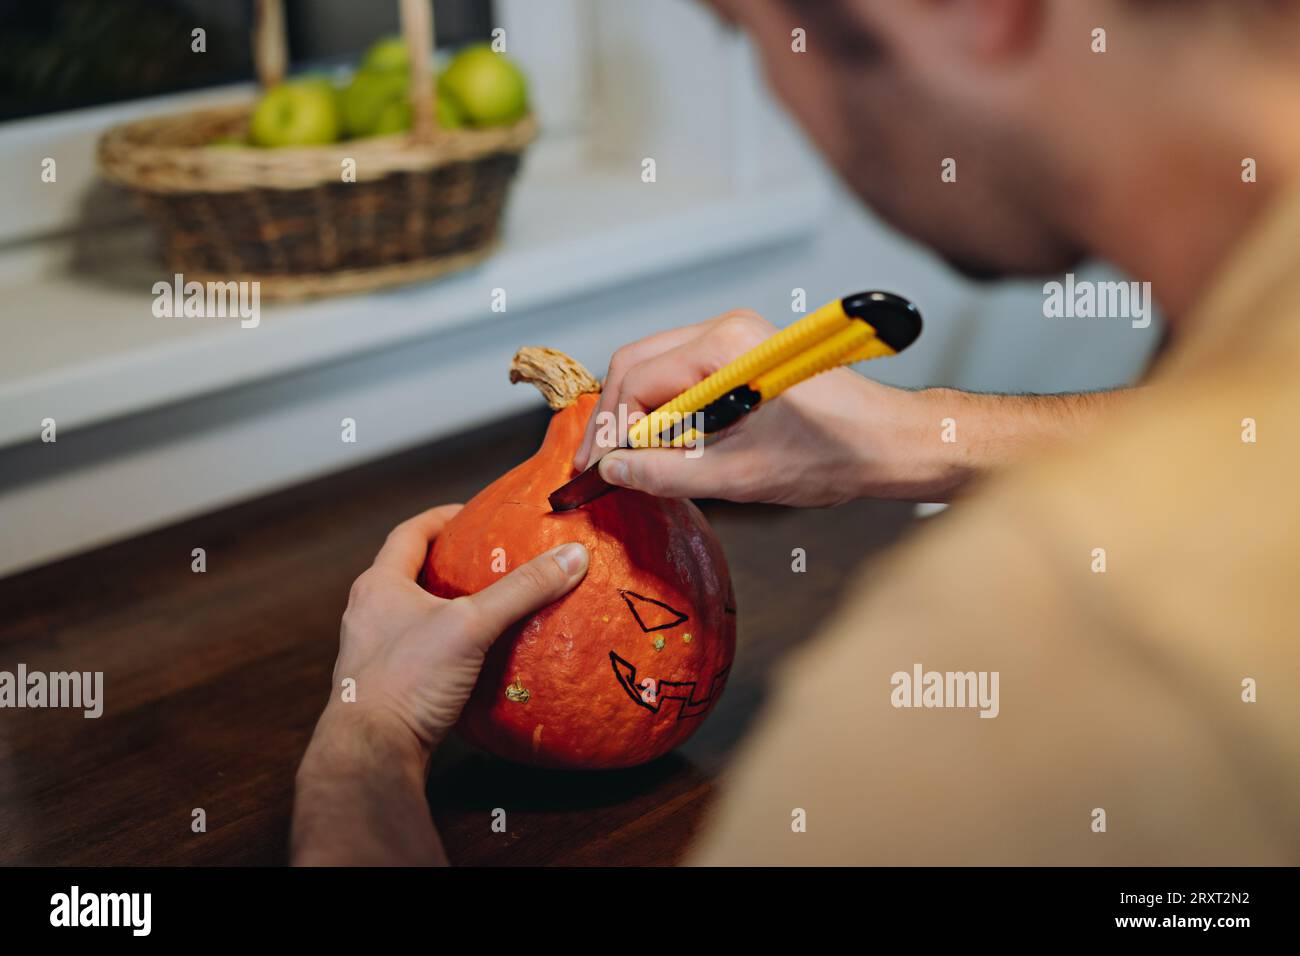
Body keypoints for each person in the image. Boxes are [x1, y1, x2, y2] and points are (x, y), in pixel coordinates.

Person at [292, 0, 1300, 865]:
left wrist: (366, 745)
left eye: (751, 32)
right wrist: (916, 436)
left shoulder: (1042, 646)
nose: (779, 86)